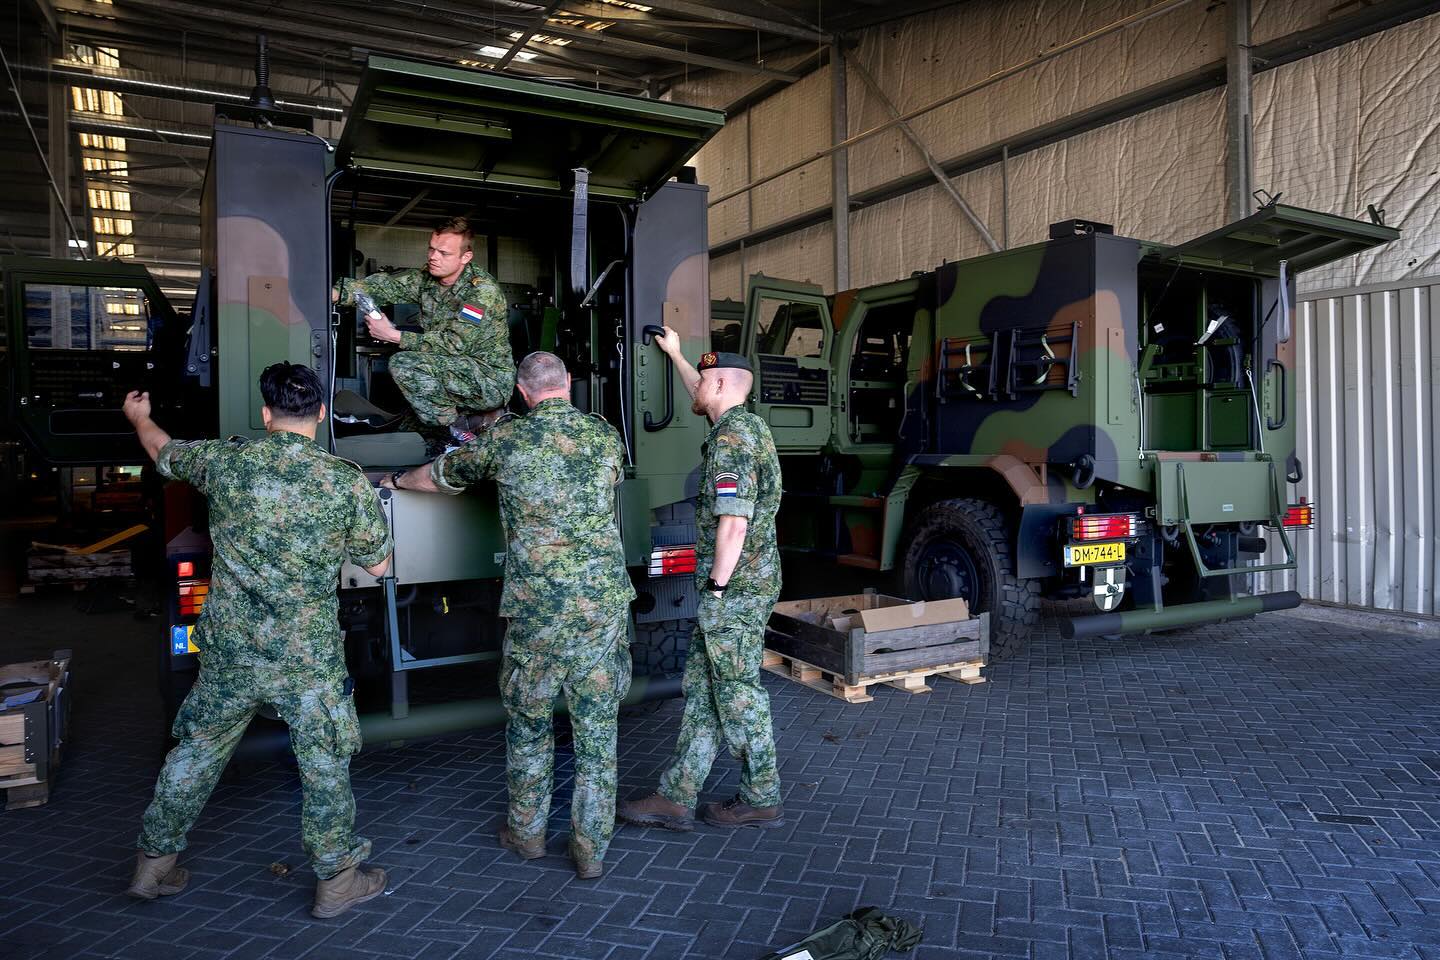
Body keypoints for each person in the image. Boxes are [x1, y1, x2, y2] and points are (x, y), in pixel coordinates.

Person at [122, 363, 394, 919]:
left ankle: (153, 867)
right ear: (320, 414)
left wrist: (140, 417)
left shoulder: (227, 461)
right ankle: (336, 881)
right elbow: (379, 562)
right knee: (324, 762)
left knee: (196, 750)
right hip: (306, 653)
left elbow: (162, 451)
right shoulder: (343, 479)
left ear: (267, 415)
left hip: (231, 647)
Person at [384, 351, 634, 879]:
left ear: (522, 393)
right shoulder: (604, 435)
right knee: (597, 731)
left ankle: (527, 835)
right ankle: (591, 852)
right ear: (567, 384)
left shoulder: (506, 440)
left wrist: (398, 481)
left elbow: (443, 476)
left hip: (537, 607)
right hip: (601, 605)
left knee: (529, 723)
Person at [616, 338, 785, 831]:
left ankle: (763, 794)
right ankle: (678, 794)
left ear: (719, 385)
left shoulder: (732, 440)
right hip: (745, 584)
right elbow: (703, 386)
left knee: (736, 691)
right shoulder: (743, 424)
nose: (696, 388)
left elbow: (734, 524)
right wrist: (675, 355)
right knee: (705, 688)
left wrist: (714, 589)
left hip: (734, 591)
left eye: (703, 382)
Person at [334, 216, 516, 440]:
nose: (433, 257)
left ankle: (459, 433)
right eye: (431, 249)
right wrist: (337, 293)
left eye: (444, 253)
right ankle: (453, 429)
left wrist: (394, 335)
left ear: (465, 257)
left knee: (404, 363)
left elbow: (453, 344)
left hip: (487, 379)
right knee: (405, 437)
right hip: (449, 372)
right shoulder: (428, 279)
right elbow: (384, 287)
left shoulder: (481, 292)